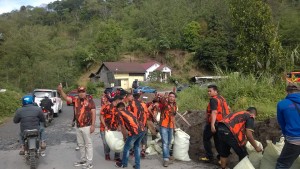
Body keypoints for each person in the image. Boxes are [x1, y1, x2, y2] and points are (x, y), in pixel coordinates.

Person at [58, 84, 96, 169]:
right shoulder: (76, 100)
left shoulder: (90, 101)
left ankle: (89, 162)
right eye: (80, 92)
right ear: (78, 93)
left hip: (87, 126)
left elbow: (93, 113)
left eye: (83, 91)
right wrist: (61, 91)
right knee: (81, 144)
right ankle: (83, 160)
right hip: (78, 126)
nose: (82, 93)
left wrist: (93, 125)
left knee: (88, 144)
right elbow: (66, 98)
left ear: (85, 92)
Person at [200, 84, 230, 163]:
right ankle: (221, 158)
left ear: (215, 91)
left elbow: (214, 112)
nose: (208, 92)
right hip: (223, 123)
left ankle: (209, 156)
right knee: (217, 141)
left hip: (215, 123)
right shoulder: (222, 98)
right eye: (208, 91)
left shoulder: (213, 100)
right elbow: (228, 108)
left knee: (206, 139)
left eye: (210, 91)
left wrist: (212, 125)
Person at [115, 102, 146, 169]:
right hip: (142, 129)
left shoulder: (120, 113)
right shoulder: (129, 111)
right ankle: (137, 166)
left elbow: (123, 127)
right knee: (137, 147)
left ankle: (124, 164)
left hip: (134, 132)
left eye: (117, 109)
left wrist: (124, 137)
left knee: (126, 148)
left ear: (119, 108)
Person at [276, 83, 300, 169]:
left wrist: (286, 137)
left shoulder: (282, 104)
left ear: (287, 92)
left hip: (294, 140)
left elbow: (282, 123)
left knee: (282, 164)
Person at [100, 96, 122, 161]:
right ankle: (107, 154)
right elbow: (101, 117)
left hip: (115, 128)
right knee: (106, 143)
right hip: (105, 128)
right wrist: (105, 125)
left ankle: (117, 157)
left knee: (118, 142)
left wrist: (120, 126)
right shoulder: (106, 107)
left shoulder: (119, 108)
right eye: (119, 100)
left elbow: (120, 118)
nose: (120, 101)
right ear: (116, 100)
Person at [127, 93, 149, 158]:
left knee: (134, 138)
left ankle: (133, 150)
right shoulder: (144, 104)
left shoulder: (130, 104)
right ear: (139, 97)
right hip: (143, 124)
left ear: (133, 97)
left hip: (134, 125)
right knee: (144, 137)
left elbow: (128, 115)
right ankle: (143, 150)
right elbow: (147, 114)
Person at [159, 92, 177, 167]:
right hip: (163, 125)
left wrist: (174, 126)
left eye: (173, 97)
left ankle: (167, 155)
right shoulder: (164, 104)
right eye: (170, 96)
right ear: (168, 97)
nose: (171, 98)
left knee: (169, 142)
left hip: (171, 126)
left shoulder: (175, 105)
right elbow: (162, 101)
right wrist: (164, 97)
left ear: (174, 98)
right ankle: (166, 159)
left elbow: (173, 116)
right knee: (165, 143)